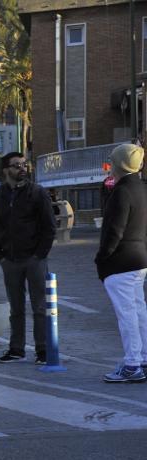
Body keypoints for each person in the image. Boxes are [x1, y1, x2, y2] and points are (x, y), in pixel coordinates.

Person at [0, 152, 56, 364]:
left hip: (34, 259)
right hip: (10, 260)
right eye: (16, 165)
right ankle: (16, 349)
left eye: (24, 164)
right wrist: (0, 256)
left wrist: (39, 255)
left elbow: (49, 227)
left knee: (40, 307)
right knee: (16, 308)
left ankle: (42, 350)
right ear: (6, 170)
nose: (22, 168)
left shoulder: (37, 192)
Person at [95, 143, 147, 383]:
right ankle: (143, 359)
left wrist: (102, 257)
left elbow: (114, 230)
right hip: (139, 258)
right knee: (138, 311)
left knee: (127, 315)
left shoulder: (122, 191)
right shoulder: (141, 188)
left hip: (120, 262)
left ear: (119, 164)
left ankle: (132, 364)